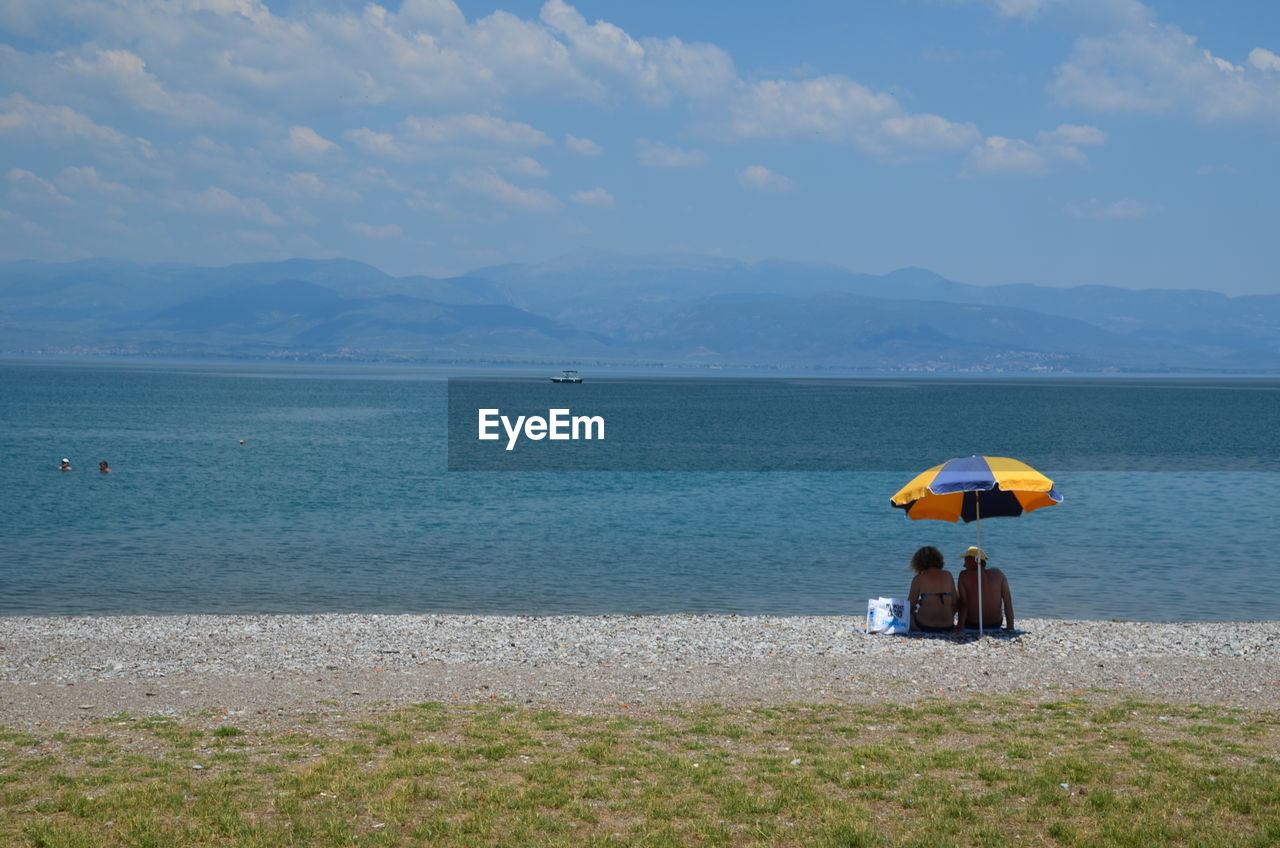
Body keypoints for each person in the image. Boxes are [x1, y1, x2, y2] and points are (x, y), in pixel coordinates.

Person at [955, 546, 1015, 631]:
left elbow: (964, 603)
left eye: (966, 561)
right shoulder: (999, 574)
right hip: (996, 623)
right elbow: (1007, 600)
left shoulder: (964, 575)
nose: (964, 565)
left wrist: (960, 627)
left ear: (974, 560)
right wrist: (1010, 626)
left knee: (956, 594)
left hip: (973, 624)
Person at [907, 545, 957, 633]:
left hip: (924, 626)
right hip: (947, 626)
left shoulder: (918, 578)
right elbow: (955, 602)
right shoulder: (948, 575)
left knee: (909, 614)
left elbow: (909, 606)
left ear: (918, 562)